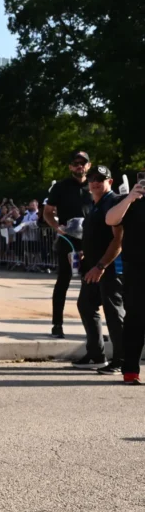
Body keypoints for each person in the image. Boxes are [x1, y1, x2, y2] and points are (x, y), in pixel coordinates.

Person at [73, 165, 124, 373]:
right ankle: (96, 354)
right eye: (92, 178)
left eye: (101, 179)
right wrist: (84, 254)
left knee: (114, 314)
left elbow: (118, 240)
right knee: (86, 305)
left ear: (109, 182)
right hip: (93, 267)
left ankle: (121, 360)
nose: (95, 182)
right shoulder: (95, 204)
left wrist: (101, 266)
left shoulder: (112, 203)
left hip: (109, 269)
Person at [44, 151, 93, 339]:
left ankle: (92, 328)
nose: (79, 166)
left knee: (91, 284)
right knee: (63, 282)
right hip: (67, 240)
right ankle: (57, 324)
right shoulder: (60, 187)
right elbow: (47, 212)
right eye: (76, 163)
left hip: (90, 240)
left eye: (83, 163)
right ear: (70, 166)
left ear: (88, 165)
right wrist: (57, 227)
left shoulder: (95, 185)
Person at [106, 173, 145, 385]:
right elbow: (110, 219)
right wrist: (130, 198)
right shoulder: (133, 202)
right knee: (135, 320)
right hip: (137, 269)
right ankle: (130, 371)